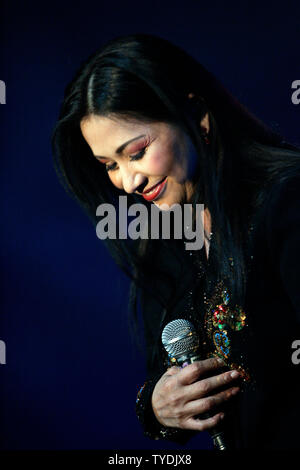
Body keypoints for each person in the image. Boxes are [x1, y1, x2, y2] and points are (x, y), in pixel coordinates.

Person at [51, 33, 300, 449]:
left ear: (198, 117)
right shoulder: (166, 233)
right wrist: (157, 407)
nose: (128, 181)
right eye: (109, 165)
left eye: (136, 152)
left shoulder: (285, 201)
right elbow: (160, 373)